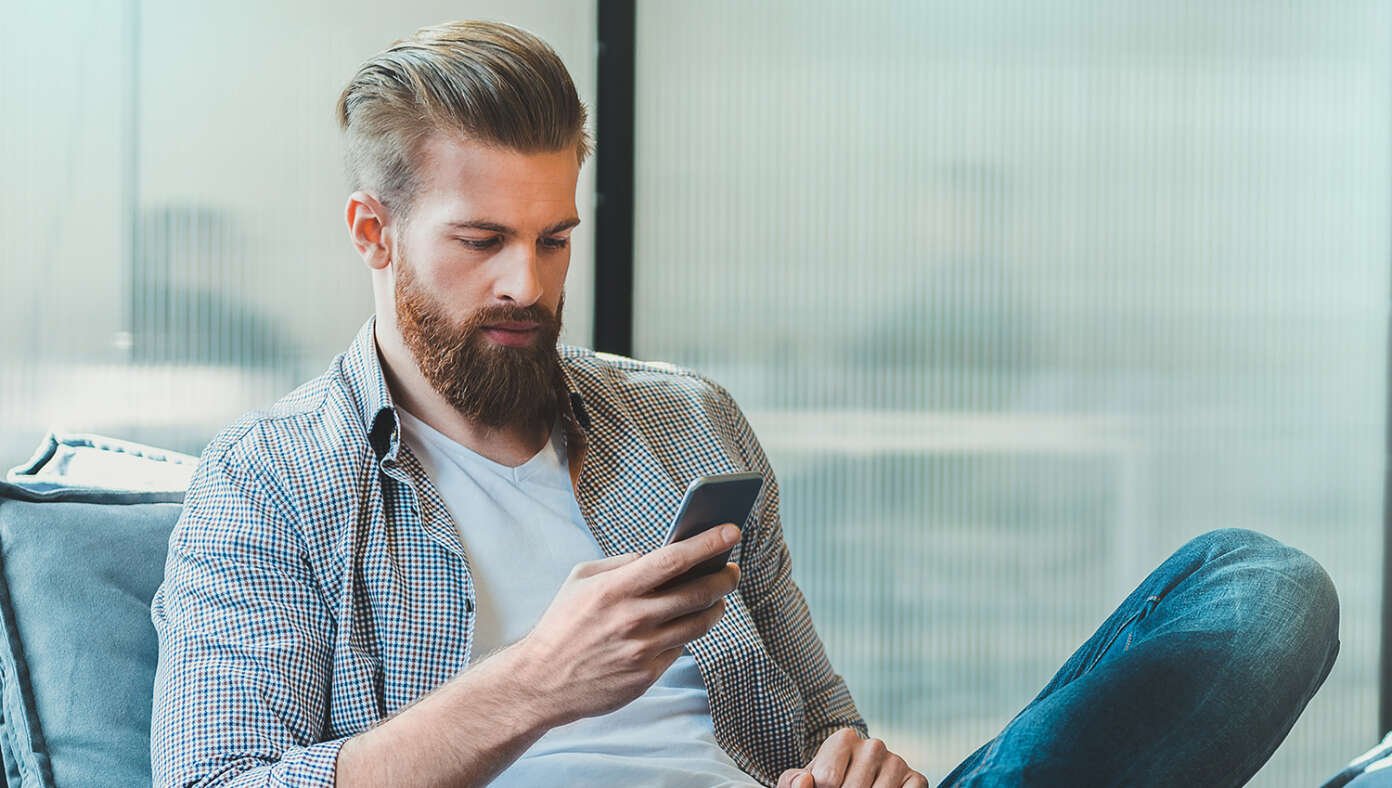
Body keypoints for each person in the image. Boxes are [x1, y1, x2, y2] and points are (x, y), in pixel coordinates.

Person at [150, 20, 1340, 788]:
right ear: (373, 232)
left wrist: (850, 765)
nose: (528, 282)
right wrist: (537, 680)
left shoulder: (685, 423)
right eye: (481, 241)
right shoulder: (271, 480)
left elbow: (823, 714)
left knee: (1263, 590)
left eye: (555, 238)